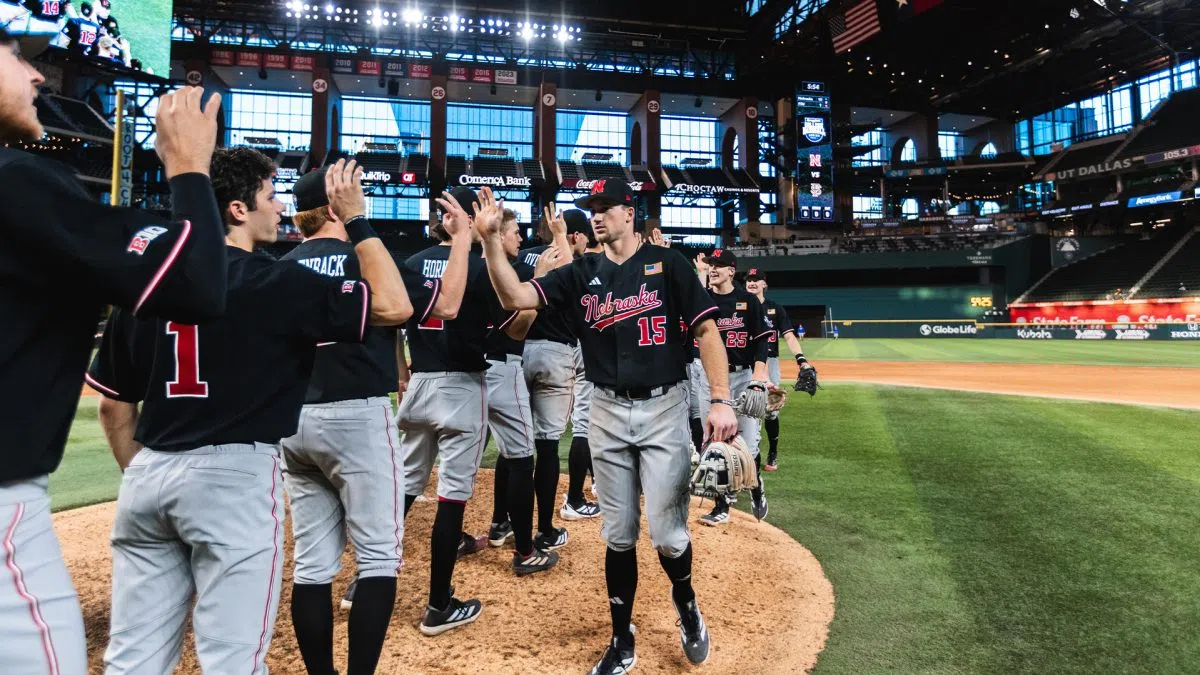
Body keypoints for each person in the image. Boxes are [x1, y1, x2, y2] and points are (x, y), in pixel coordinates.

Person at [87, 155, 416, 674]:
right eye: (269, 196)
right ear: (238, 209)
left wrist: (147, 477)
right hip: (231, 478)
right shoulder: (270, 281)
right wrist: (355, 217)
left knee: (133, 661)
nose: (280, 207)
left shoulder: (149, 285)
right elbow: (396, 306)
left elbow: (112, 404)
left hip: (147, 476)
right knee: (232, 660)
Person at [1, 29, 229, 672]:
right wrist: (189, 169)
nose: (39, 75)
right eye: (14, 53)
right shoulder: (18, 183)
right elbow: (195, 284)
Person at [476, 179, 739, 674]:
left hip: (664, 408)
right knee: (618, 534)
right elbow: (514, 295)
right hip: (606, 410)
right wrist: (491, 241)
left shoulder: (670, 265)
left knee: (668, 534)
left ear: (629, 213)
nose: (595, 216)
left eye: (604, 207)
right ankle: (621, 638)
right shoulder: (580, 273)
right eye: (591, 208)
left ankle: (686, 605)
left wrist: (721, 401)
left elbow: (706, 330)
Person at [276, 168, 472, 675]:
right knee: (379, 558)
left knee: (313, 566)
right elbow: (447, 305)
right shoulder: (366, 256)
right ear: (340, 205)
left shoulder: (281, 264)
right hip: (355, 415)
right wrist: (463, 240)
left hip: (293, 421)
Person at [398, 185, 530, 636]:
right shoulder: (480, 267)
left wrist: (403, 376)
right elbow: (513, 329)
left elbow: (392, 327)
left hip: (418, 381)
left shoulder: (411, 263)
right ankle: (438, 605)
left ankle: (365, 580)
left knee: (405, 488)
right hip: (461, 386)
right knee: (452, 497)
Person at [516, 206, 602, 554]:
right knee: (547, 444)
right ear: (575, 235)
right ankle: (545, 528)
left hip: (516, 351)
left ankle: (502, 521)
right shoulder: (576, 265)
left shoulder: (520, 257)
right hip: (556, 355)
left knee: (514, 448)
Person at [481, 208, 560, 576]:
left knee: (451, 466)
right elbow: (519, 328)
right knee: (522, 457)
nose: (519, 239)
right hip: (502, 367)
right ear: (497, 234)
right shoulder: (500, 274)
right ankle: (526, 550)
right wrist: (540, 282)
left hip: (468, 373)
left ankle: (496, 525)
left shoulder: (467, 266)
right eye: (513, 232)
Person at [692, 250, 772, 526]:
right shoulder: (703, 300)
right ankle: (721, 505)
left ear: (731, 271)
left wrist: (759, 377)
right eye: (711, 265)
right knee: (715, 440)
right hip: (711, 380)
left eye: (719, 266)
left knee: (748, 446)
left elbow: (762, 341)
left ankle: (757, 485)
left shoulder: (748, 301)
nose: (713, 269)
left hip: (742, 378)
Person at [744, 268, 812, 472]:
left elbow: (789, 336)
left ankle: (772, 451)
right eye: (749, 279)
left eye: (756, 280)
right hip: (746, 362)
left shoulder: (775, 308)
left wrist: (801, 359)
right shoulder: (739, 305)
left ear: (765, 284)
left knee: (771, 411)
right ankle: (749, 457)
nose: (752, 283)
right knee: (748, 411)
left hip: (770, 362)